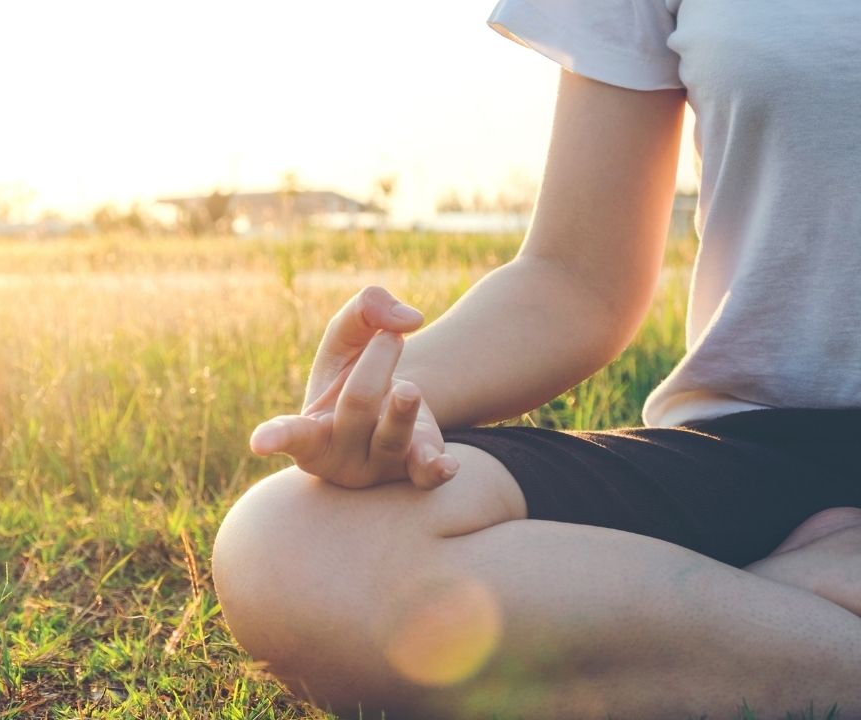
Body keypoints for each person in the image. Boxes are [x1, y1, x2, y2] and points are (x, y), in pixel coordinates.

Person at [211, 1, 861, 718]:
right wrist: (398, 397)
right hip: (753, 457)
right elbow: (576, 279)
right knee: (298, 548)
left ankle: (766, 622)